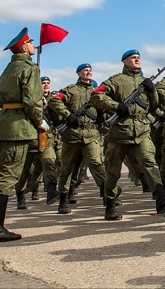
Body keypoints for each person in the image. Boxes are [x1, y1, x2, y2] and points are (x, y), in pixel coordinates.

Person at [91, 50, 165, 220]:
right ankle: (110, 203)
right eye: (133, 57)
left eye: (138, 57)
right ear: (124, 61)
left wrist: (152, 91)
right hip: (119, 132)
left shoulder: (143, 82)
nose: (137, 59)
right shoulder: (115, 80)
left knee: (149, 162)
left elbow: (153, 107)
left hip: (142, 130)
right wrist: (116, 106)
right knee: (113, 170)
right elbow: (96, 95)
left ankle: (161, 197)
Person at [0, 27, 47, 243]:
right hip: (18, 127)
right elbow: (32, 100)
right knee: (8, 175)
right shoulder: (29, 68)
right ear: (24, 47)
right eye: (30, 43)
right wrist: (40, 122)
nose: (33, 46)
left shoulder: (9, 68)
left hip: (3, 124)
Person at [49, 63, 108, 215]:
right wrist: (68, 115)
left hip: (91, 134)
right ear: (78, 74)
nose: (88, 72)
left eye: (90, 70)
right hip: (72, 135)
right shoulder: (70, 90)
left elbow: (102, 111)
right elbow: (54, 101)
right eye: (85, 71)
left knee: (96, 163)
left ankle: (108, 194)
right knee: (67, 168)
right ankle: (63, 199)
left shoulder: (97, 92)